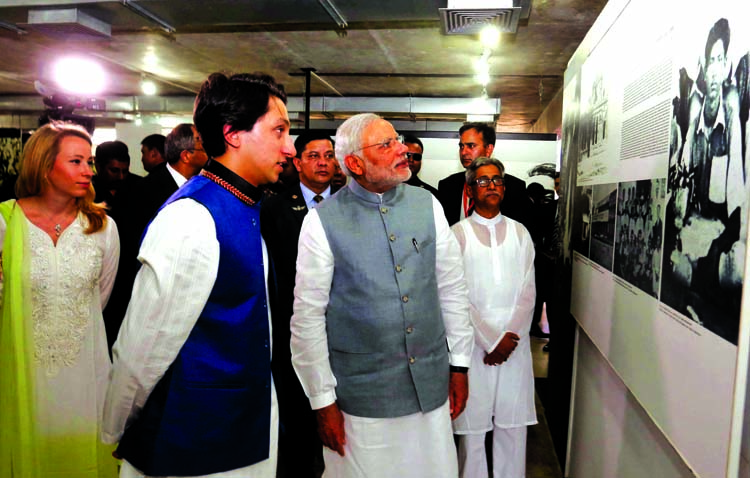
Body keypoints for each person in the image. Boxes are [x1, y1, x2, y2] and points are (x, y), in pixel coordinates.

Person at [102, 72, 296, 477]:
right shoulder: (192, 217)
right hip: (191, 440)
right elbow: (144, 344)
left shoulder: (245, 204)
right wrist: (117, 426)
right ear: (233, 134)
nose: (289, 147)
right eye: (279, 131)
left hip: (243, 431)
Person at [290, 113, 474, 477]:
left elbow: (452, 289)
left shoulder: (428, 205)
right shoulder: (321, 221)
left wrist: (460, 366)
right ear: (355, 163)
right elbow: (308, 318)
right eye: (386, 144)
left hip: (430, 390)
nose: (401, 149)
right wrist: (322, 401)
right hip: (361, 398)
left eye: (398, 140)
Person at [0, 121, 120, 478]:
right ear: (44, 166)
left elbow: (100, 297)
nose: (88, 171)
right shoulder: (6, 223)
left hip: (86, 375)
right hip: (23, 375)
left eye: (90, 161)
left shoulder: (101, 227)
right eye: (76, 161)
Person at [452, 157, 537, 478]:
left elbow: (528, 291)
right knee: (472, 432)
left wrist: (510, 337)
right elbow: (455, 295)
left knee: (513, 429)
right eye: (483, 181)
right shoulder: (457, 235)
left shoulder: (520, 233)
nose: (492, 186)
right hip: (474, 348)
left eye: (497, 180)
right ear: (470, 189)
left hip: (515, 346)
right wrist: (490, 340)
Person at [261, 131, 336, 478]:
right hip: (292, 327)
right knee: (298, 418)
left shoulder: (349, 204)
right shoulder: (274, 207)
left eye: (328, 155)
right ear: (298, 161)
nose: (323, 162)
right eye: (314, 155)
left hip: (342, 330)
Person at [103, 123, 208, 350]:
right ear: (187, 155)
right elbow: (132, 251)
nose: (208, 150)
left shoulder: (201, 187)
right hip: (146, 302)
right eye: (202, 144)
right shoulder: (143, 191)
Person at [438, 122, 529, 226]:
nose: (463, 152)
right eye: (461, 146)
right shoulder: (448, 186)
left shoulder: (514, 188)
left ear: (488, 149)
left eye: (471, 146)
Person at [93, 140, 142, 216]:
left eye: (125, 171)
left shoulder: (140, 186)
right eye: (114, 171)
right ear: (98, 166)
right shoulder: (87, 190)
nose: (121, 177)